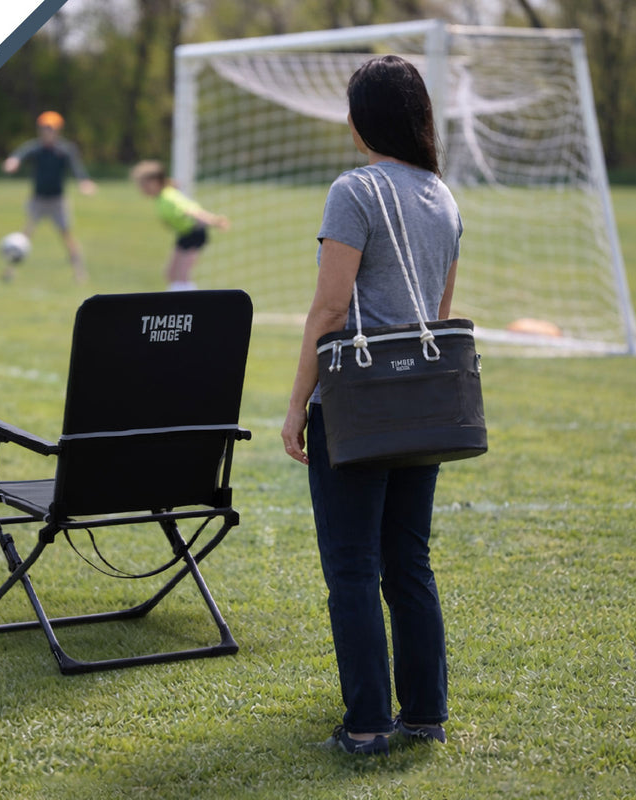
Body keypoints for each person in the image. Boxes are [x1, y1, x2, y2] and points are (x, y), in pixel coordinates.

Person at [280, 55, 463, 756]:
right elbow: (437, 314)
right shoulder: (442, 196)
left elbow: (330, 309)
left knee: (353, 568)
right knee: (408, 562)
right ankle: (424, 715)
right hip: (421, 402)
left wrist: (298, 404)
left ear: (363, 120)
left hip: (356, 404)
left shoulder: (353, 190)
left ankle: (365, 726)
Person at [2, 111, 97, 283]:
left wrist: (84, 182)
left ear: (58, 130)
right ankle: (9, 271)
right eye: (44, 128)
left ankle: (80, 272)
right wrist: (13, 161)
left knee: (67, 236)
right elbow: (19, 155)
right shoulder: (35, 148)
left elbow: (77, 168)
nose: (46, 132)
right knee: (24, 236)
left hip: (57, 201)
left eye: (50, 128)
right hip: (38, 200)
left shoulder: (65, 149)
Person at [129, 160, 229, 291]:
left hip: (194, 233)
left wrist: (214, 220)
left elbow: (192, 211)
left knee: (182, 275)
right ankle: (175, 298)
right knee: (170, 273)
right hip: (184, 234)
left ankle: (189, 301)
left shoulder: (168, 198)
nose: (141, 188)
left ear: (155, 182)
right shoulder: (162, 196)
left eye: (144, 184)